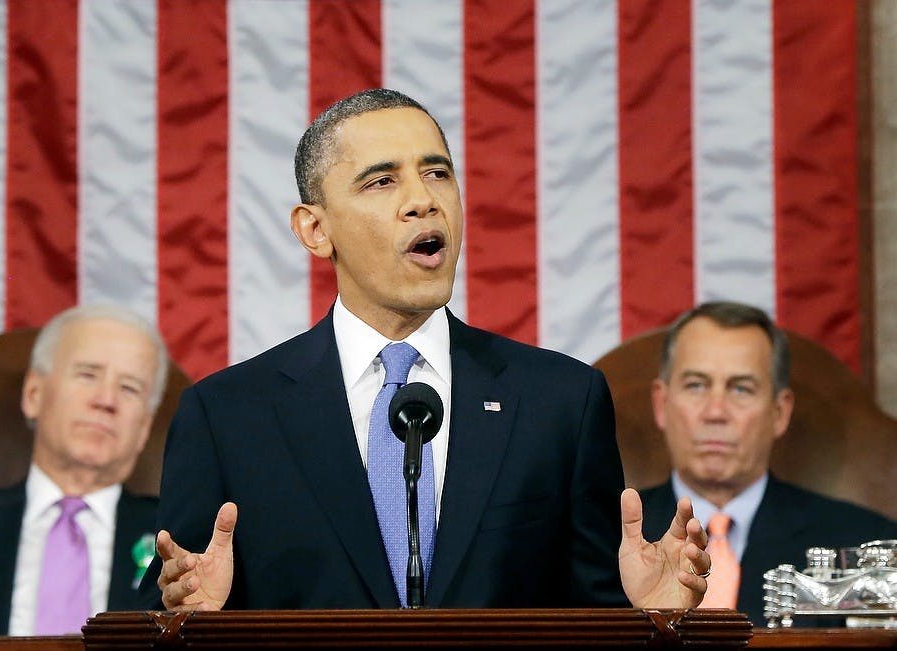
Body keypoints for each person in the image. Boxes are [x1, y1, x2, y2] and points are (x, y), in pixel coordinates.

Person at [139, 88, 710, 613]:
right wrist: (190, 625)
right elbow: (167, 607)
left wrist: (652, 618)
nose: (422, 201)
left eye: (437, 173)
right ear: (315, 229)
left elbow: (594, 616)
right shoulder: (226, 417)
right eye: (381, 181)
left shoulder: (560, 402)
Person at [0, 304, 169, 636]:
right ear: (33, 394)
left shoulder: (180, 548)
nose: (106, 400)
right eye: (87, 375)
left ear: (144, 427)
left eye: (130, 388)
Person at [639, 301, 897, 624]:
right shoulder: (608, 540)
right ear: (662, 405)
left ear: (780, 412)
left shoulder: (861, 543)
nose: (715, 412)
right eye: (696, 385)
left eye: (742, 388)